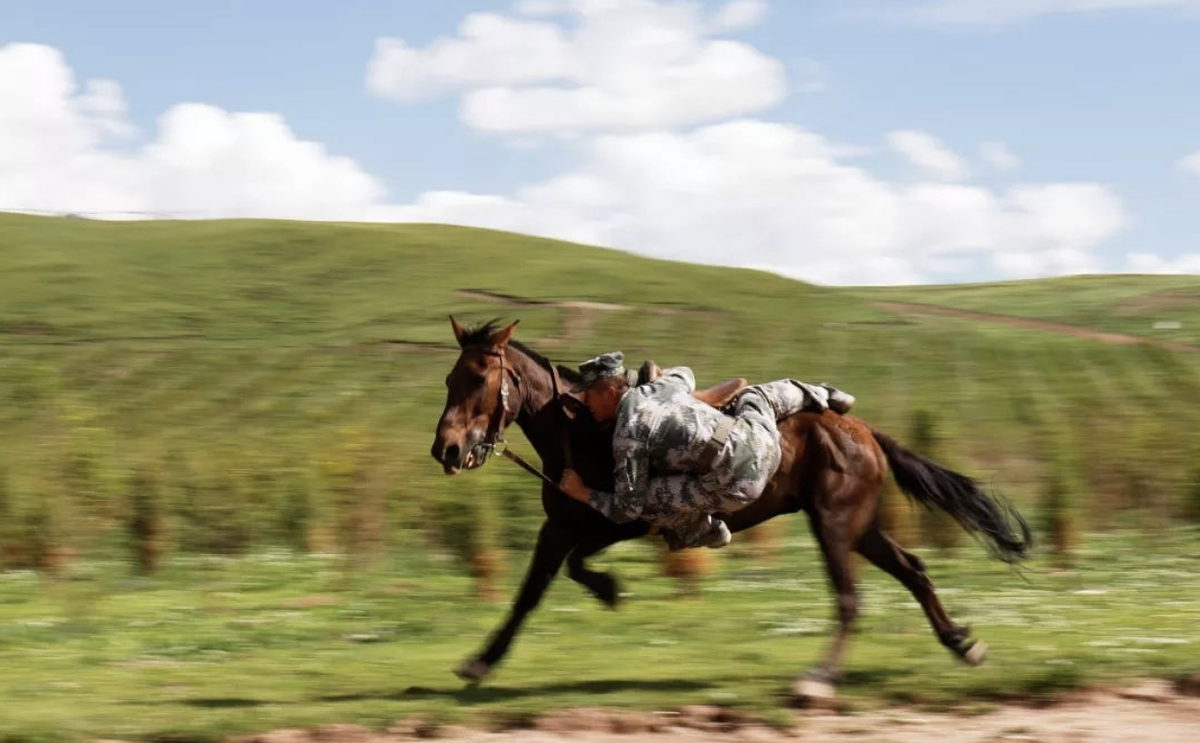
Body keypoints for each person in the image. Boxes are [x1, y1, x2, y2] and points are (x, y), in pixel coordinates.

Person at [557, 351, 855, 550]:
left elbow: (626, 510)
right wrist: (659, 377)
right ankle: (824, 394)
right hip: (763, 440)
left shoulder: (627, 435)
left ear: (610, 391)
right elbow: (685, 374)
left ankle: (704, 530)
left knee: (647, 498)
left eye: (588, 396)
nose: (585, 404)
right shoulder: (656, 389)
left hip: (741, 486)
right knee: (757, 394)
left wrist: (582, 493)